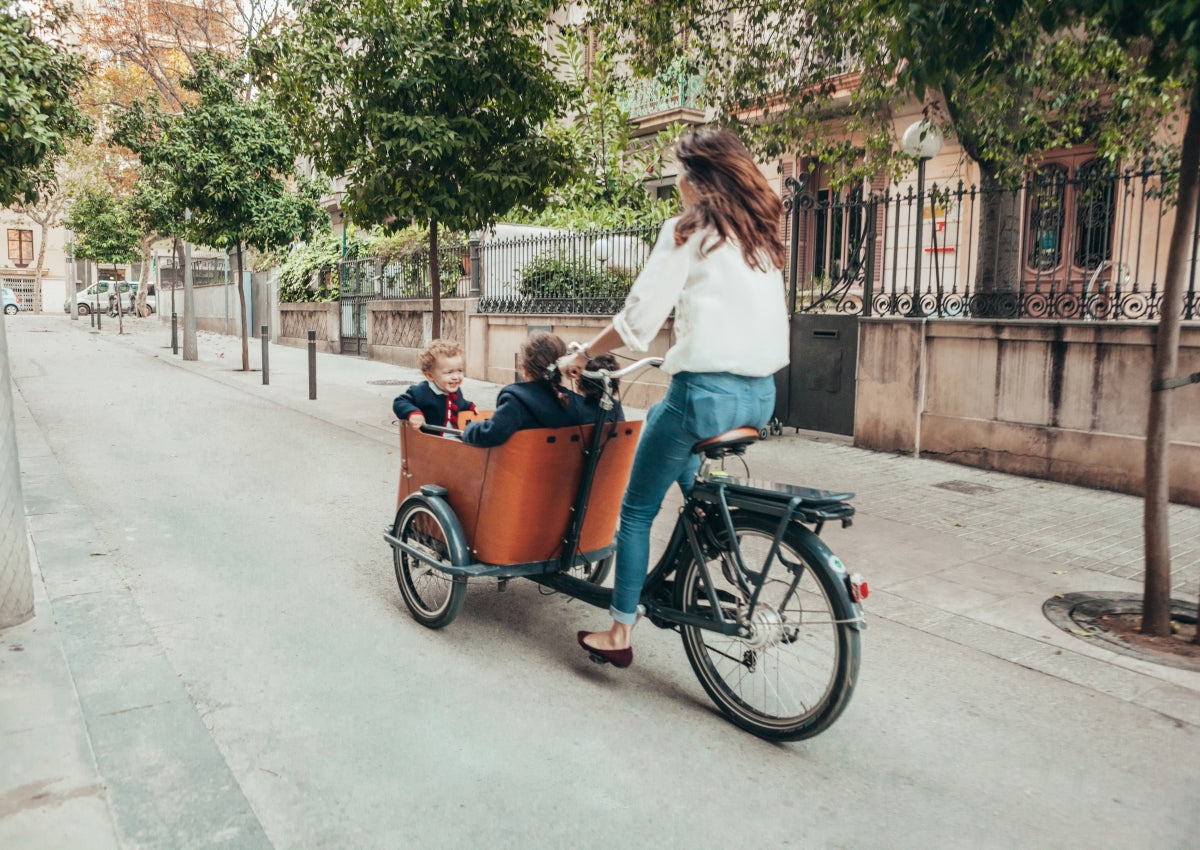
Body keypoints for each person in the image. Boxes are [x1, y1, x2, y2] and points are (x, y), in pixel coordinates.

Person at [558, 127, 789, 669]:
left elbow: (638, 320)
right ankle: (709, 548)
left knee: (636, 509)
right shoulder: (757, 234)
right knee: (675, 443)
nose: (676, 181)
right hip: (761, 397)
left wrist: (581, 355)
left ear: (699, 177)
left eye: (680, 171)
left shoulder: (689, 230)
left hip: (704, 395)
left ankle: (619, 631)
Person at [462, 332, 622, 448]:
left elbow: (490, 434)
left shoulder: (516, 401)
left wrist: (468, 429)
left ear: (525, 369)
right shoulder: (575, 404)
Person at [392, 339, 477, 429]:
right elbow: (400, 402)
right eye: (449, 372)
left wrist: (470, 406)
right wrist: (413, 413)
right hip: (432, 440)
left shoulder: (455, 391)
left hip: (455, 437)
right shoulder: (422, 391)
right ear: (430, 375)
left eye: (459, 371)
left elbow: (461, 403)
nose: (456, 377)